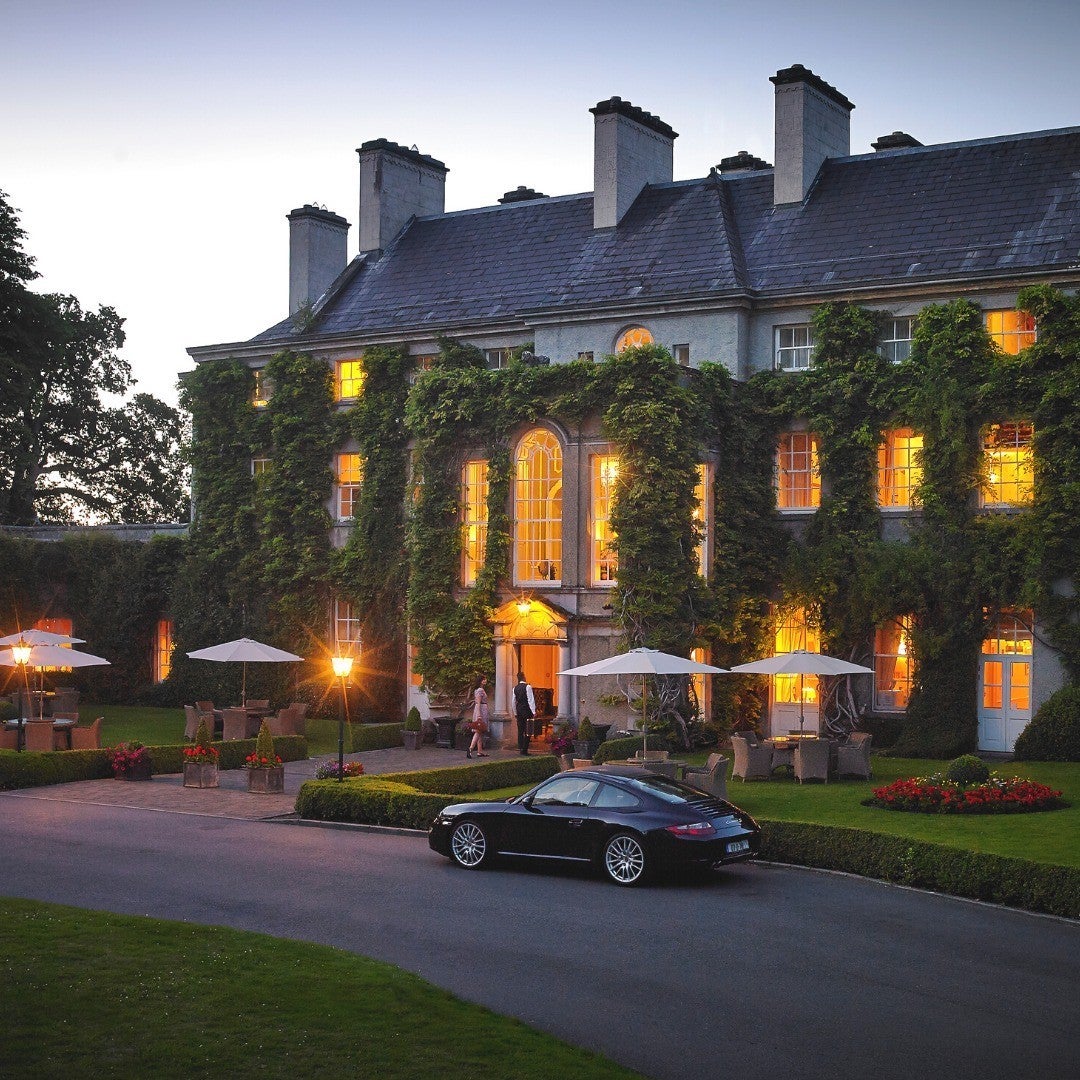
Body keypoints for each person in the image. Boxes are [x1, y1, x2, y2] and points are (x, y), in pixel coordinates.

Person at [513, 673, 536, 755]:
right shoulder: (528, 687)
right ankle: (525, 749)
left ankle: (520, 748)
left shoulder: (515, 688)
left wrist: (515, 712)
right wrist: (533, 711)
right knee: (528, 730)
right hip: (527, 710)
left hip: (519, 710)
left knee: (520, 730)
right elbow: (530, 700)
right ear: (524, 677)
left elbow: (513, 701)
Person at [467, 675, 489, 758]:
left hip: (480, 709)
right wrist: (479, 714)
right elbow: (479, 702)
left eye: (485, 679)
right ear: (480, 681)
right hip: (481, 710)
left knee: (480, 731)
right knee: (478, 730)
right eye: (483, 679)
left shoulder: (477, 690)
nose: (485, 680)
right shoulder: (480, 690)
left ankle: (479, 751)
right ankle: (470, 748)